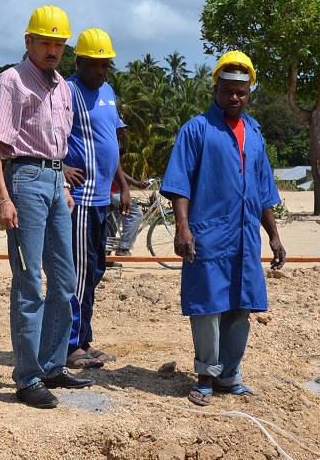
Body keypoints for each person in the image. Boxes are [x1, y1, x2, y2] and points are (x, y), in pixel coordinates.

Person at [160, 50, 287, 407]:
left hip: (246, 236)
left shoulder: (256, 133)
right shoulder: (197, 130)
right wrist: (182, 227)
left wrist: (273, 235)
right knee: (207, 306)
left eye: (241, 92)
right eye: (228, 90)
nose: (235, 98)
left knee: (240, 307)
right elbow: (180, 184)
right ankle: (205, 377)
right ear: (216, 88)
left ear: (249, 93)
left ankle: (230, 376)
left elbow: (263, 191)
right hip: (208, 233)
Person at [0, 5, 94, 409]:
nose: (52, 50)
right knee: (29, 283)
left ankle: (52, 364)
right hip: (24, 180)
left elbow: (56, 144)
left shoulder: (63, 86)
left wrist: (62, 181)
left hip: (53, 180)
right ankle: (28, 377)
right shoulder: (10, 83)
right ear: (28, 41)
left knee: (65, 281)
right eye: (45, 42)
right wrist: (2, 197)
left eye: (58, 44)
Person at [61, 28, 131, 368]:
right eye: (94, 65)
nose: (101, 72)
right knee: (78, 273)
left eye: (105, 65)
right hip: (80, 201)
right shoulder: (67, 91)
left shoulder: (109, 92)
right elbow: (45, 135)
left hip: (103, 198)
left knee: (96, 270)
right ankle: (69, 344)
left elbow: (112, 143)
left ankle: (84, 339)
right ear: (80, 61)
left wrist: (123, 186)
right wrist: (59, 168)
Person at [107, 167, 147, 256]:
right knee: (135, 214)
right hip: (113, 192)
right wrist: (136, 183)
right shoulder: (115, 152)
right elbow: (117, 170)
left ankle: (105, 256)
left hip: (110, 190)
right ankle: (124, 247)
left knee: (112, 222)